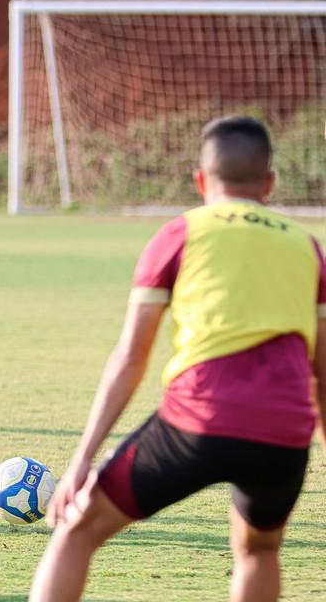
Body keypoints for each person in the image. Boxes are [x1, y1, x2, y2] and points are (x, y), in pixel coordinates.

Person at [29, 116, 326, 602]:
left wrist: (82, 459)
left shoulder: (180, 233)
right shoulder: (308, 247)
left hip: (200, 421)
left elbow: (131, 356)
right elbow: (324, 373)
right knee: (259, 550)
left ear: (201, 181)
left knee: (78, 529)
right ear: (270, 183)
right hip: (284, 433)